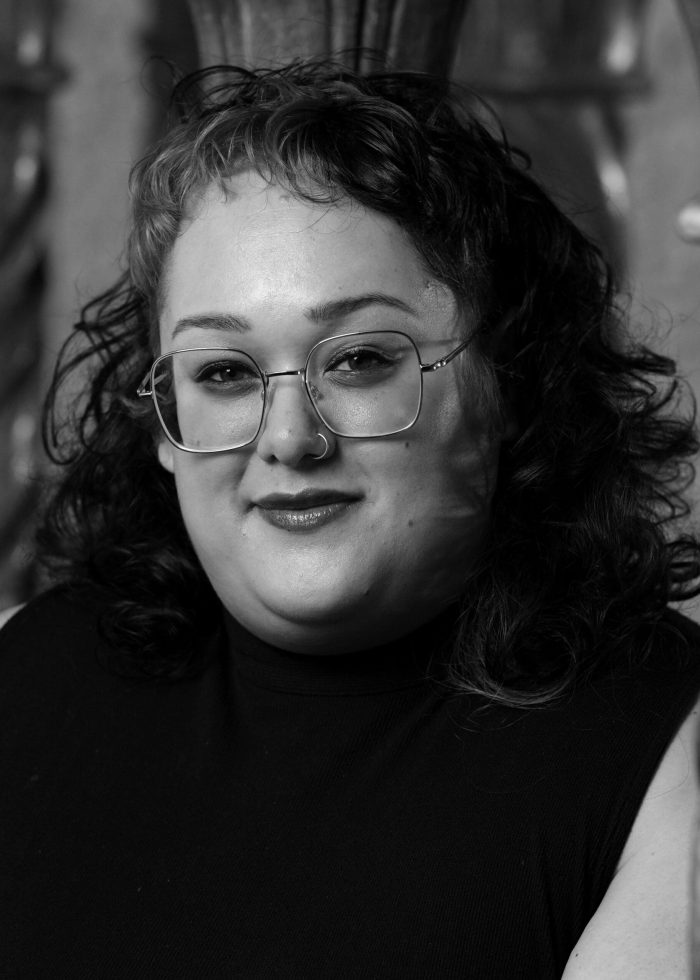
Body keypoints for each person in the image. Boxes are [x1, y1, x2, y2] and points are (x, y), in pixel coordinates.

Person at [2, 59, 700, 979]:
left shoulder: (668, 748)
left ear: (511, 384)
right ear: (163, 426)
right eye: (223, 372)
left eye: (362, 359)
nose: (290, 438)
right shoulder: (25, 670)